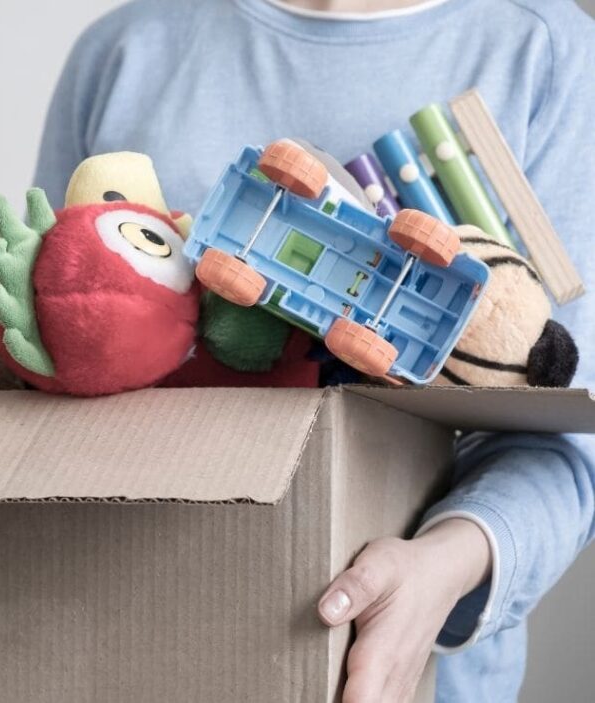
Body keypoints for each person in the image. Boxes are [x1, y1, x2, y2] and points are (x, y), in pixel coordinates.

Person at [32, 0, 595, 700]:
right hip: (128, 633)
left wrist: (440, 568)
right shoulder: (121, 51)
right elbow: (46, 342)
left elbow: (564, 436)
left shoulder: (548, 53)